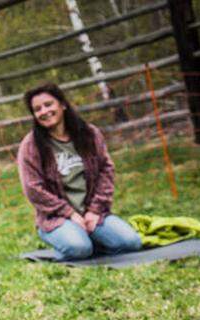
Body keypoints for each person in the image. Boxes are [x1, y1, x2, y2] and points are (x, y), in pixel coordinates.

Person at [17, 82, 142, 260]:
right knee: (78, 249)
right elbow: (33, 189)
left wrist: (94, 210)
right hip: (57, 218)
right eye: (37, 109)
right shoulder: (31, 145)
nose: (44, 112)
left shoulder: (89, 134)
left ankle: (89, 242)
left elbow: (106, 170)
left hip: (93, 213)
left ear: (63, 105)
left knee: (131, 243)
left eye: (48, 104)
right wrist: (70, 214)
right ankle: (76, 244)